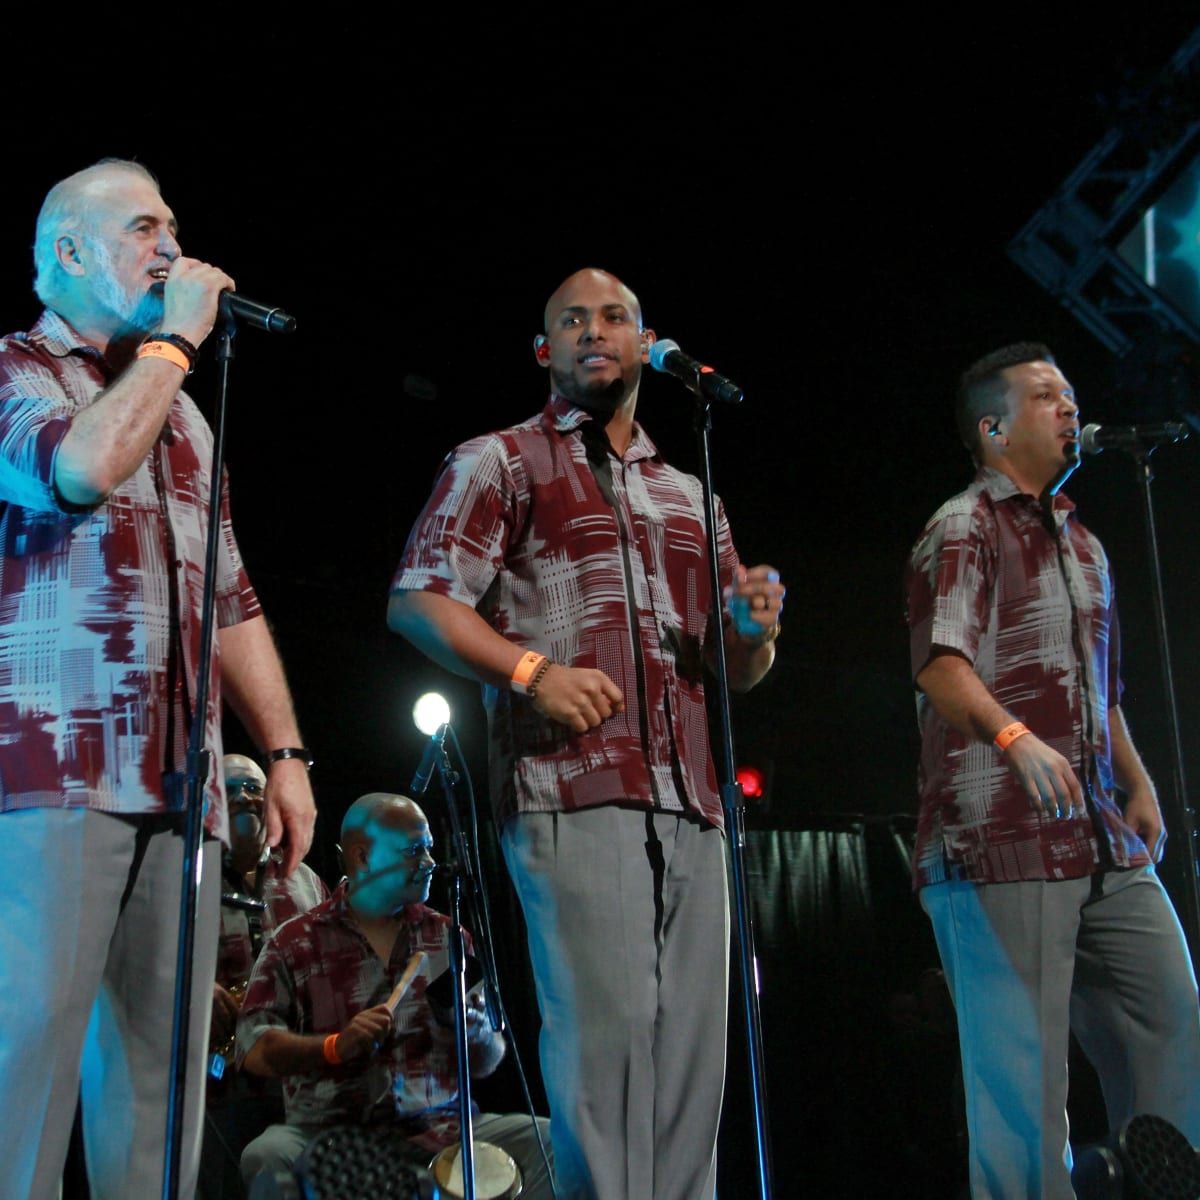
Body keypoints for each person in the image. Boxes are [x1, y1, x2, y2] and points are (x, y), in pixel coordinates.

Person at [388, 267, 784, 1200]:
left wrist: (753, 631)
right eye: (572, 320)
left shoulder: (695, 496)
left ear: (648, 344)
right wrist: (533, 673)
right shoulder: (500, 460)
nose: (593, 332)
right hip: (570, 785)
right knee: (606, 1050)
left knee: (692, 1056)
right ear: (545, 349)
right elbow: (420, 602)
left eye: (614, 318)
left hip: (688, 796)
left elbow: (737, 670)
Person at [0, 159, 317, 1200]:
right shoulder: (16, 371)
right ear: (69, 253)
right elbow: (78, 471)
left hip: (179, 788)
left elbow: (232, 597)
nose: (173, 247)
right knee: (27, 1075)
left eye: (174, 225)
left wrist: (284, 752)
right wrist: (177, 342)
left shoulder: (181, 414)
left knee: (163, 1082)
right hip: (52, 777)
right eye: (145, 228)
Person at [904, 342, 1200, 1198]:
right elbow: (939, 663)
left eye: (1070, 394)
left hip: (1099, 835)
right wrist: (1011, 738)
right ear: (995, 428)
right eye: (1046, 396)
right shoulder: (962, 526)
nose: (1070, 408)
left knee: (1170, 1020)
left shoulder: (1084, 542)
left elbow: (1100, 689)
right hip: (993, 839)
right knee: (1021, 1088)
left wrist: (1135, 781)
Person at [236, 793, 551, 1197]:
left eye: (430, 849)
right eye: (415, 850)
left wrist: (475, 1034)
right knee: (266, 1155)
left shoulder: (446, 938)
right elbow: (254, 1048)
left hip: (444, 1130)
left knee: (553, 1144)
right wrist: (333, 1047)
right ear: (363, 856)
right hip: (330, 1136)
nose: (430, 863)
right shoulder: (294, 943)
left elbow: (489, 1060)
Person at [201, 754, 329, 1198]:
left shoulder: (305, 878)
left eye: (253, 788)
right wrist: (201, 989)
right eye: (229, 789)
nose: (244, 799)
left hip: (295, 1076)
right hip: (216, 1081)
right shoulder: (184, 874)